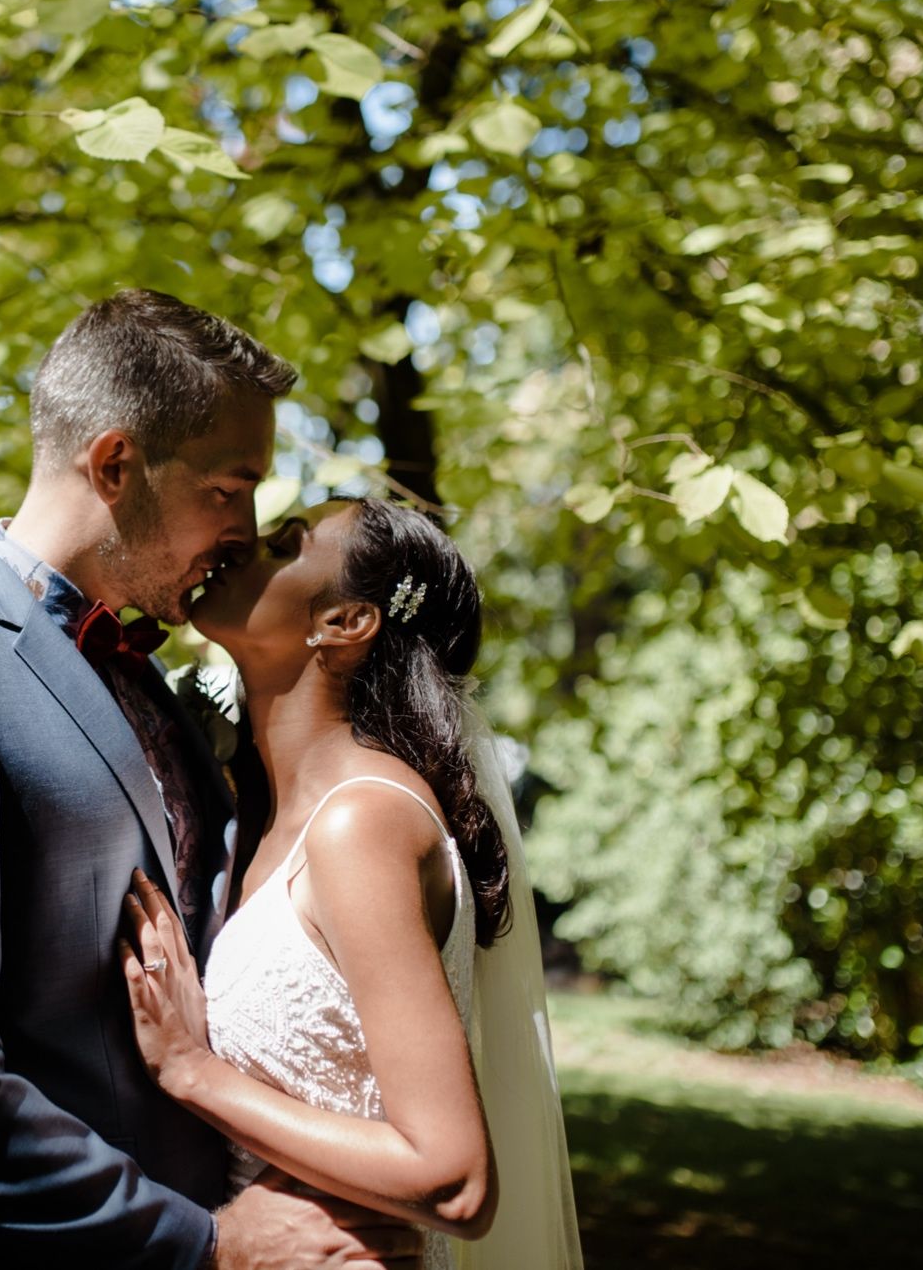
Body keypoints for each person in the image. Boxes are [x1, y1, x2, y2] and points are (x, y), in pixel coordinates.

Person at [0, 291, 420, 1268]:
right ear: (114, 463)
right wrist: (202, 1241)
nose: (244, 527)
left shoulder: (151, 680)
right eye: (228, 487)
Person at [121, 497, 585, 1270]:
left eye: (284, 544)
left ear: (344, 622)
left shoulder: (361, 824)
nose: (240, 545)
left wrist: (189, 1070)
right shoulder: (271, 818)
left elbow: (454, 1179)